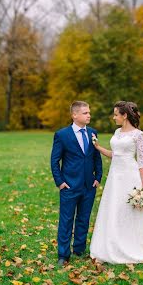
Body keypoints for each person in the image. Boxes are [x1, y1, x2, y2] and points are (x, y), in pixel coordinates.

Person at [89, 101, 143, 264]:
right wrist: (98, 147)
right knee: (113, 209)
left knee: (129, 211)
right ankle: (112, 244)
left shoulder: (138, 135)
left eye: (116, 114)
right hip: (114, 177)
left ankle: (131, 244)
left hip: (129, 175)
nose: (114, 118)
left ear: (124, 115)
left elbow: (142, 161)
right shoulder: (117, 132)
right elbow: (115, 154)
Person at [50, 101, 103, 267]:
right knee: (66, 220)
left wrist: (98, 177)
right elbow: (54, 160)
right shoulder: (62, 135)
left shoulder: (92, 132)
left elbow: (96, 157)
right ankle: (63, 254)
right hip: (69, 186)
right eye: (85, 113)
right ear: (75, 115)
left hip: (89, 185)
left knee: (84, 218)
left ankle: (79, 248)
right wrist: (60, 182)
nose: (89, 115)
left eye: (89, 112)